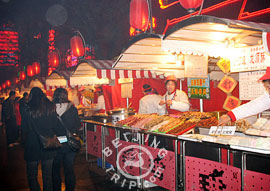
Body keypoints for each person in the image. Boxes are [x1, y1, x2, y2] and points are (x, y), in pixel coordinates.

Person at [22, 87, 58, 191]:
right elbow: (55, 125)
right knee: (48, 176)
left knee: (32, 176)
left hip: (32, 144)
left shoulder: (27, 109)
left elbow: (24, 128)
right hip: (48, 143)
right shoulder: (51, 107)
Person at [52, 88, 81, 191]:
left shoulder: (51, 109)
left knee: (55, 168)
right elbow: (78, 125)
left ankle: (56, 188)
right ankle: (70, 188)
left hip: (56, 142)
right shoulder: (72, 109)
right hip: (69, 142)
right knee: (69, 167)